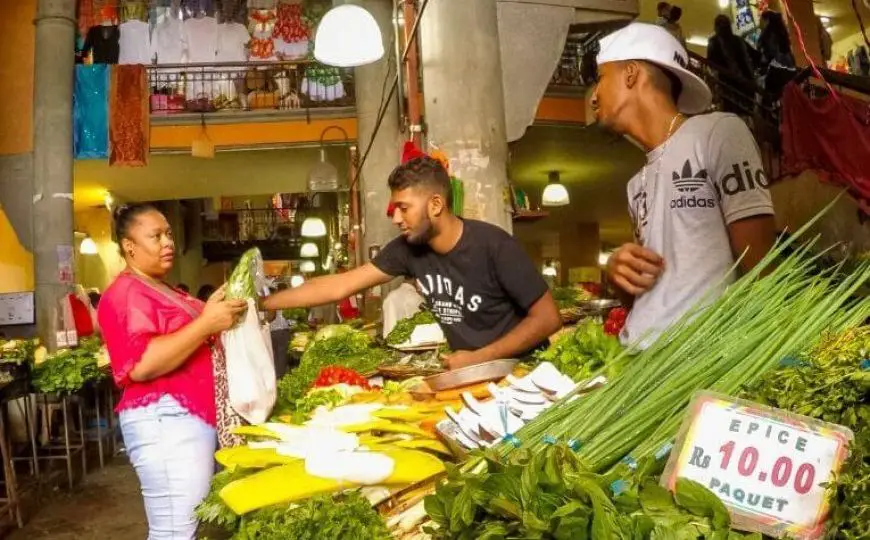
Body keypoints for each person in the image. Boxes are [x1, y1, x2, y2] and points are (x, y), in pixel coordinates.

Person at [264, 157, 562, 369]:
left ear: (435, 204)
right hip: (471, 371)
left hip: (525, 373)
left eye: (403, 208)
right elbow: (338, 286)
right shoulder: (407, 250)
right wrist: (263, 303)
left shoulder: (495, 246)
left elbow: (548, 318)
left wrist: (480, 356)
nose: (395, 218)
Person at [590, 23, 776, 350]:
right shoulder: (636, 185)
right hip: (633, 359)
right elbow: (652, 299)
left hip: (696, 364)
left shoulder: (719, 133)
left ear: (631, 73)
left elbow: (762, 270)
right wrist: (621, 275)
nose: (594, 95)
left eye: (601, 77)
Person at [97, 204, 247, 540]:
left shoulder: (160, 288)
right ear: (129, 246)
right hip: (165, 421)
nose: (168, 242)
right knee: (174, 532)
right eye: (156, 236)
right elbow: (142, 364)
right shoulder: (124, 294)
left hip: (184, 419)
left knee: (185, 528)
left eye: (168, 233)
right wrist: (206, 322)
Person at [707, 15, 755, 114]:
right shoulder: (738, 40)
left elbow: (711, 62)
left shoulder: (714, 42)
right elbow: (752, 56)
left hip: (727, 82)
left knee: (732, 110)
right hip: (743, 81)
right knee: (744, 110)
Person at [757, 11, 796, 102]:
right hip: (789, 70)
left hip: (776, 71)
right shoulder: (781, 33)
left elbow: (770, 53)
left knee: (767, 98)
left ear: (766, 20)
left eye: (761, 20)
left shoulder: (768, 34)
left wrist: (762, 61)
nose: (759, 23)